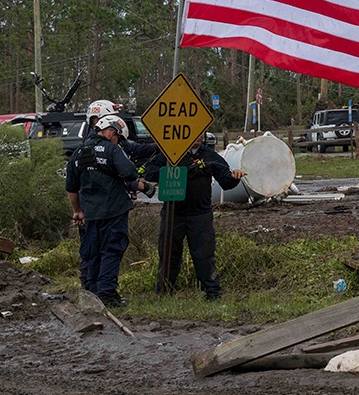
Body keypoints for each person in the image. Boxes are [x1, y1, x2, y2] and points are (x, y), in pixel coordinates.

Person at [66, 114, 155, 308]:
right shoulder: (112, 150)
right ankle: (106, 294)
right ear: (111, 132)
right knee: (111, 251)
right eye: (118, 137)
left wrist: (77, 212)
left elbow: (71, 189)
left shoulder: (77, 153)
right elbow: (130, 172)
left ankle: (91, 292)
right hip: (114, 211)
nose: (118, 141)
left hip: (89, 213)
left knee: (91, 252)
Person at [143, 133, 245, 300]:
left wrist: (235, 177)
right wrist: (174, 170)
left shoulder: (209, 155)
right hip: (172, 213)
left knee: (204, 254)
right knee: (169, 253)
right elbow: (149, 172)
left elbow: (226, 180)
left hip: (200, 214)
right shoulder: (171, 153)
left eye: (202, 133)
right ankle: (163, 292)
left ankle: (212, 293)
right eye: (195, 133)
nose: (199, 137)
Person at [84, 100, 159, 166]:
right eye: (110, 118)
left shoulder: (115, 140)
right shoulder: (91, 146)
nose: (115, 121)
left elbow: (134, 148)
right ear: (96, 120)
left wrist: (159, 145)